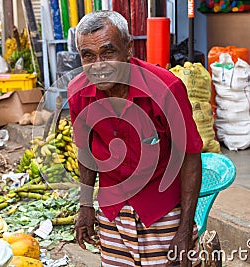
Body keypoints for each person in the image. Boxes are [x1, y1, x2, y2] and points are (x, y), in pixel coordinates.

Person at [68, 11, 203, 266]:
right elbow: (85, 150)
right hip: (113, 208)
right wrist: (85, 205)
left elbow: (190, 155)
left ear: (128, 49)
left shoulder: (166, 88)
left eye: (108, 53)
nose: (98, 65)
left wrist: (184, 228)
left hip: (163, 207)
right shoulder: (78, 92)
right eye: (88, 56)